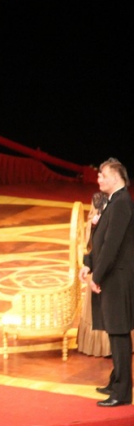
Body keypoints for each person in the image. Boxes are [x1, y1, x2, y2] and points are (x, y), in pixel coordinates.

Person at [79, 157, 134, 407]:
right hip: (110, 276)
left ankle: (122, 393)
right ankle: (116, 381)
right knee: (114, 330)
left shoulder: (122, 203)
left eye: (102, 175)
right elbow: (100, 238)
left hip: (118, 279)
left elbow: (112, 246)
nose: (98, 178)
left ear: (115, 177)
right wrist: (89, 263)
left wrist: (97, 277)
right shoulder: (112, 201)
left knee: (119, 331)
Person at [77, 191, 111, 357]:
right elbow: (92, 247)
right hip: (98, 264)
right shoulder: (98, 200)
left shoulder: (121, 205)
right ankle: (100, 345)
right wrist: (94, 224)